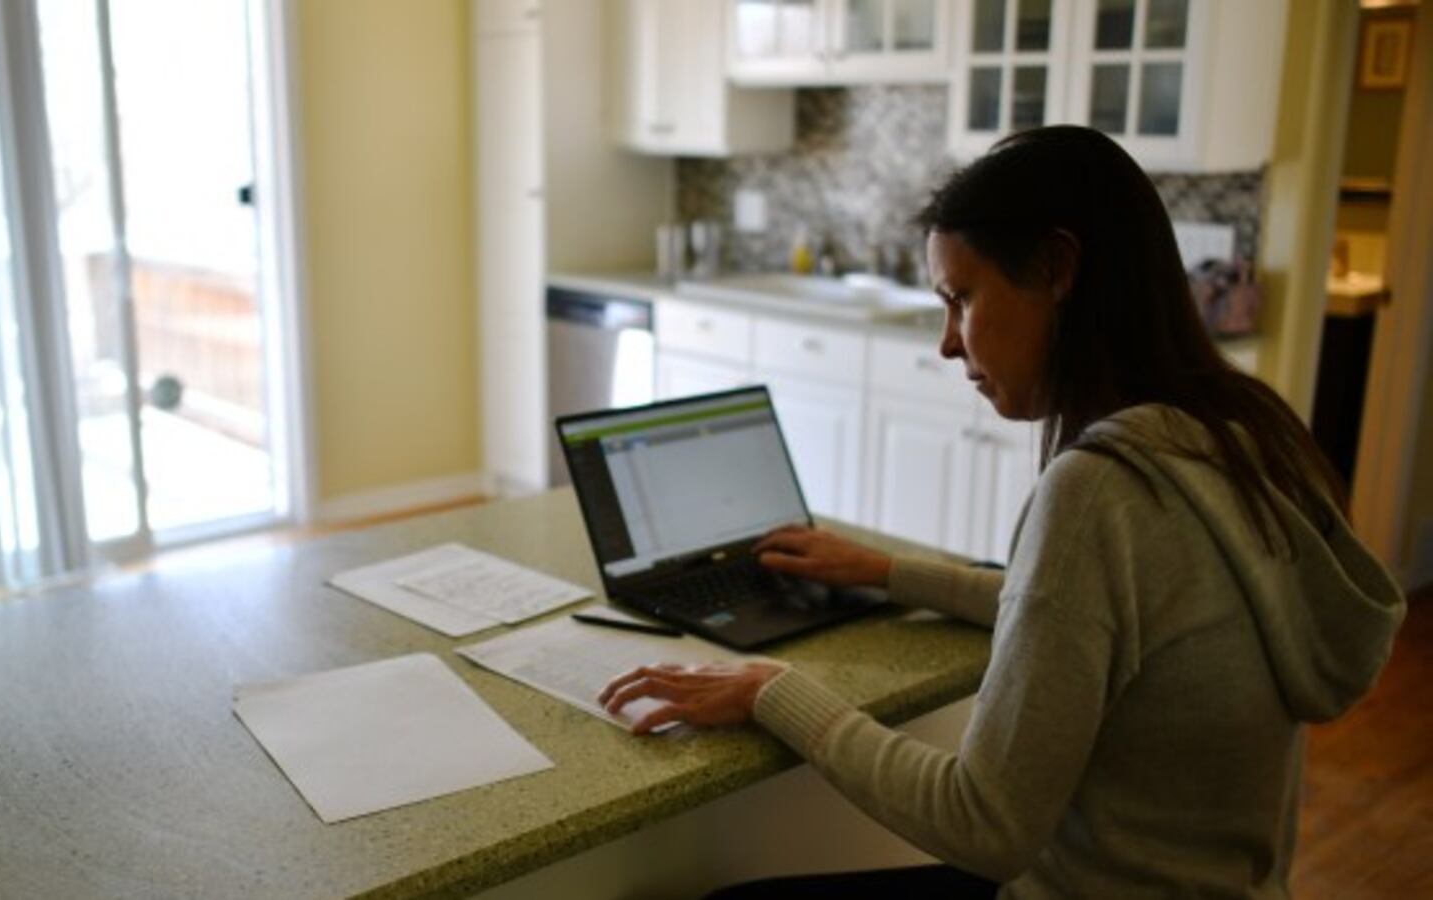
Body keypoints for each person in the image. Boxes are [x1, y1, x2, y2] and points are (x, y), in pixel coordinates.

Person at [598, 126, 1406, 898]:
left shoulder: (1102, 488)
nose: (949, 343)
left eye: (962, 298)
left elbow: (983, 822)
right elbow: (1104, 621)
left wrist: (774, 690)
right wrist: (888, 573)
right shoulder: (1243, 432)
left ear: (1057, 269)